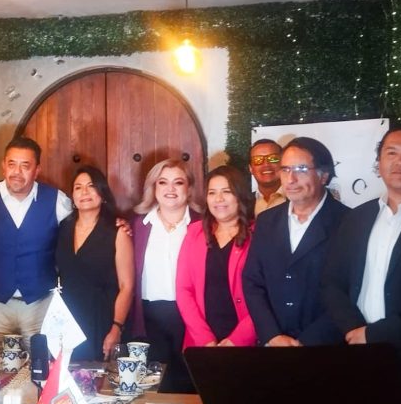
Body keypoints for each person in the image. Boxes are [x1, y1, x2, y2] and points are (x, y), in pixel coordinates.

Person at [322, 126, 401, 387]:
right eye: (392, 153)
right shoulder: (357, 217)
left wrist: (374, 334)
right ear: (378, 162)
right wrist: (353, 330)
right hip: (357, 351)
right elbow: (331, 282)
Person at [244, 137, 348, 347]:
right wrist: (271, 334)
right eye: (285, 169)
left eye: (301, 169)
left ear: (324, 175)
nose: (290, 179)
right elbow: (253, 281)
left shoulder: (348, 221)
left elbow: (351, 290)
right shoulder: (267, 221)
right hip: (273, 344)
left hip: (326, 346)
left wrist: (307, 341)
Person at [0, 137, 72, 355]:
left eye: (25, 166)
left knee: (42, 365)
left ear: (37, 170)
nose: (17, 172)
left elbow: (84, 227)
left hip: (39, 303)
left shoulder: (57, 200)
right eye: (12, 164)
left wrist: (116, 223)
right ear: (3, 165)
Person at [128, 158, 201, 391]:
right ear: (153, 187)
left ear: (189, 188)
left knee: (191, 383)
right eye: (163, 182)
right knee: (155, 386)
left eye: (178, 182)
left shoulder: (203, 225)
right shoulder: (137, 225)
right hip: (149, 317)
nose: (170, 189)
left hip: (190, 316)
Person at [55, 166, 134, 361]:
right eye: (78, 187)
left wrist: (116, 327)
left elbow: (127, 286)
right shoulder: (63, 228)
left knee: (100, 376)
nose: (84, 192)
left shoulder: (118, 231)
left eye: (91, 186)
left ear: (102, 192)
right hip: (68, 320)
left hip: (103, 318)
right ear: (72, 196)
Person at [176, 165, 256, 351]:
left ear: (240, 195)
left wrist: (238, 339)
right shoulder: (195, 232)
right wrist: (205, 339)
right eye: (212, 193)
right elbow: (183, 289)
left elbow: (267, 295)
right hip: (202, 342)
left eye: (226, 192)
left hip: (246, 342)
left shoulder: (259, 235)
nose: (218, 199)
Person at [250, 139, 286, 217]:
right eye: (258, 159)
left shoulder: (297, 198)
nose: (266, 164)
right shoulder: (243, 203)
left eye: (273, 158)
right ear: (250, 168)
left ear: (283, 163)